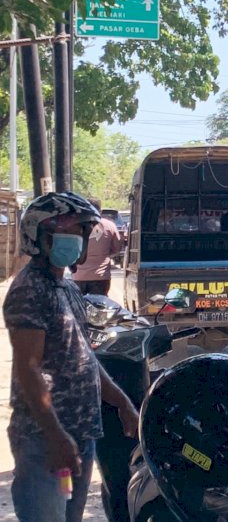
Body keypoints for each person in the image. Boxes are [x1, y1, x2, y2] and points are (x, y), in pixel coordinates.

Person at [4, 192, 140, 522]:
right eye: (75, 232)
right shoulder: (29, 290)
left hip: (80, 431)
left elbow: (83, 356)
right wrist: (55, 436)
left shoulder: (67, 289)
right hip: (45, 439)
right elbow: (28, 368)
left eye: (83, 233)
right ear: (42, 236)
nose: (81, 240)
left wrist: (121, 402)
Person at [71, 198, 122, 296]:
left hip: (78, 276)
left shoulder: (75, 225)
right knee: (100, 308)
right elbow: (117, 248)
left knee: (80, 308)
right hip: (101, 277)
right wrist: (105, 253)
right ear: (100, 211)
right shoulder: (109, 225)